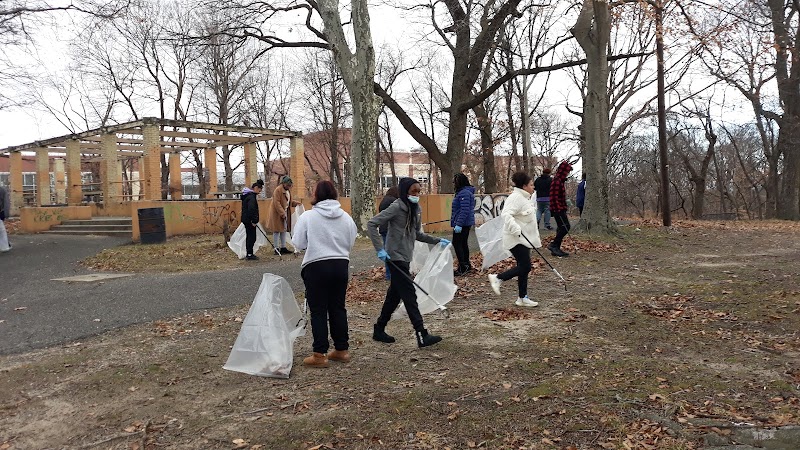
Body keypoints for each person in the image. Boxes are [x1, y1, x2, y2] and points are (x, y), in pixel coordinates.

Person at [367, 177, 450, 348]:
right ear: (405, 192)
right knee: (410, 296)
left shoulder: (415, 208)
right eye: (414, 192)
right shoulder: (396, 207)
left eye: (419, 191)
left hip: (405, 256)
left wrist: (437, 240)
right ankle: (422, 334)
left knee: (393, 297)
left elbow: (417, 234)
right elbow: (372, 223)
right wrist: (380, 249)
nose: (417, 194)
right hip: (394, 257)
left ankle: (379, 329)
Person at [292, 180, 358, 368]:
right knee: (338, 308)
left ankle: (320, 354)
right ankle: (342, 350)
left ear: (316, 195)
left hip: (316, 266)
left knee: (319, 310)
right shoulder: (346, 217)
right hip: (340, 265)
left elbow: (298, 243)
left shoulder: (308, 217)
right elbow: (351, 240)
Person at [487, 171, 541, 307]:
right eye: (531, 184)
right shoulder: (516, 197)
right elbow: (506, 215)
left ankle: (522, 298)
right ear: (524, 186)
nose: (533, 187)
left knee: (523, 267)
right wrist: (516, 229)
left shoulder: (525, 198)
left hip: (524, 239)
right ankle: (498, 278)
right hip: (516, 238)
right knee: (525, 266)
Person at [267, 175, 301, 255]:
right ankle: (276, 248)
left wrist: (295, 203)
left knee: (283, 230)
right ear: (284, 183)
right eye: (288, 185)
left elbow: (288, 201)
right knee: (276, 230)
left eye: (290, 185)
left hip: (285, 212)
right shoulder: (278, 190)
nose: (289, 186)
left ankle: (283, 247)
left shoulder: (288, 191)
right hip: (277, 213)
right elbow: (277, 202)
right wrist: (282, 213)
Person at [451, 173, 475, 276]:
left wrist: (459, 224)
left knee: (457, 243)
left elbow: (464, 210)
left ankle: (463, 266)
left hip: (463, 223)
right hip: (464, 223)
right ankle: (466, 265)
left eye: (455, 182)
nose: (454, 184)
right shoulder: (463, 192)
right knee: (463, 243)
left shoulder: (464, 193)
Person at [548, 160, 574, 257]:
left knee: (561, 227)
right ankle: (554, 245)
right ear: (563, 171)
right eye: (567, 172)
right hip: (557, 209)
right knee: (565, 227)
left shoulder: (560, 181)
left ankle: (556, 248)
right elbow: (553, 197)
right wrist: (558, 209)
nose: (567, 174)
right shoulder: (556, 181)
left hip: (560, 208)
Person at [378, 186, 399, 280]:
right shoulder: (394, 202)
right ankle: (391, 274)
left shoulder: (384, 200)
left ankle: (389, 274)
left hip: (384, 228)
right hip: (390, 230)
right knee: (392, 253)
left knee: (388, 252)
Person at [240, 179, 263, 260]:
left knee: (250, 236)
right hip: (249, 221)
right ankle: (249, 254)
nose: (260, 191)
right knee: (251, 237)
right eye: (260, 189)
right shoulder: (251, 198)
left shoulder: (248, 196)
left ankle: (249, 253)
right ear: (256, 188)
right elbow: (252, 210)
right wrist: (254, 221)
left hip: (246, 220)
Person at [0, 185, 11, 253]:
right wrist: (6, 214)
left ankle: (5, 245)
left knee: (1, 230)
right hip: (1, 212)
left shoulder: (2, 190)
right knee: (1, 230)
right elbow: (6, 202)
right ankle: (5, 245)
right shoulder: (2, 190)